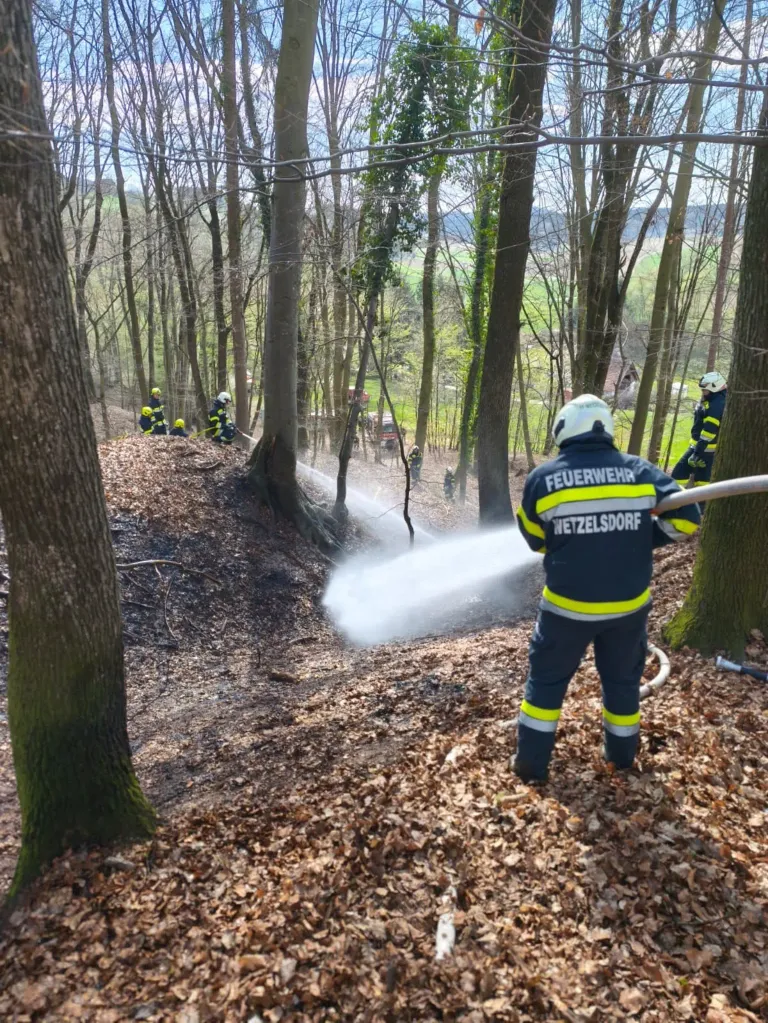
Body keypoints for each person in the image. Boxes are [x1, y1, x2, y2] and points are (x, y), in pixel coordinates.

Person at [513, 394, 701, 783]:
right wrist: (637, 537)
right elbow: (687, 519)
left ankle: (531, 765)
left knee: (546, 684)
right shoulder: (641, 472)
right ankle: (621, 760)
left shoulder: (543, 479)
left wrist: (577, 541)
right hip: (627, 611)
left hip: (565, 610)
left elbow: (535, 539)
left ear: (564, 431)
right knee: (622, 684)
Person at [671, 371, 727, 489]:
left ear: (714, 387)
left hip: (703, 449)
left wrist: (697, 453)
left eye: (704, 390)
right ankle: (693, 505)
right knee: (702, 482)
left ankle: (675, 503)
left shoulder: (716, 405)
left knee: (679, 475)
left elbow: (709, 431)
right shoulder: (714, 400)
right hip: (702, 448)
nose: (703, 392)